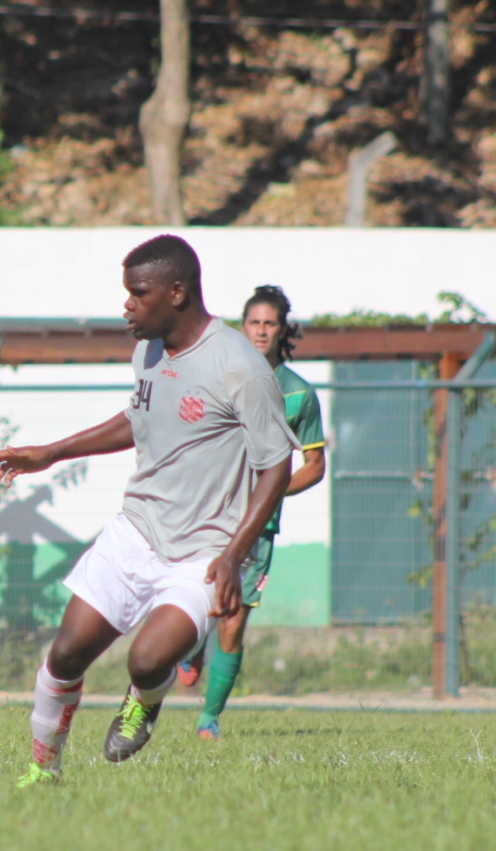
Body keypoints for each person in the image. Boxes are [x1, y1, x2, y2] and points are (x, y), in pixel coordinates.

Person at [0, 234, 298, 785]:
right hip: (138, 531)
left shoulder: (239, 365)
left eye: (137, 293)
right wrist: (52, 453)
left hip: (204, 551)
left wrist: (232, 556)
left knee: (148, 660)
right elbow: (138, 417)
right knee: (66, 653)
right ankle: (43, 772)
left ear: (176, 293)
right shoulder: (147, 349)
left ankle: (144, 702)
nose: (127, 305)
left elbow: (276, 466)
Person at [175, 285, 325, 739]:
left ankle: (209, 718)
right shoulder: (221, 378)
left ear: (283, 331)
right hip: (208, 517)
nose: (261, 330)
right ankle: (191, 645)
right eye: (254, 322)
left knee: (233, 622)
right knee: (196, 606)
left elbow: (314, 467)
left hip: (257, 528)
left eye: (270, 323)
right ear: (243, 328)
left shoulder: (298, 395)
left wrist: (271, 495)